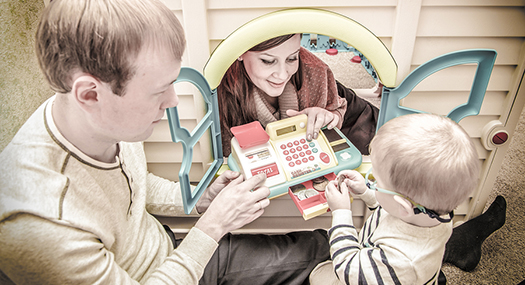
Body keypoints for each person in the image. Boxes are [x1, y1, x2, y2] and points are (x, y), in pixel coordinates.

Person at [0, 1, 329, 284]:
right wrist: (212, 226)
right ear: (89, 93)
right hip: (172, 269)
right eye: (159, 91)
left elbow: (135, 189)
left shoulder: (95, 119)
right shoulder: (40, 224)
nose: (172, 102)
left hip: (175, 251)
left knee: (320, 248)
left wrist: (202, 200)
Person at [309, 113, 481, 284]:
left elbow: (348, 269)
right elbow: (388, 209)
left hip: (363, 271)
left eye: (377, 181)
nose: (372, 182)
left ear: (403, 207)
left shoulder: (402, 262)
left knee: (316, 277)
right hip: (377, 258)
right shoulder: (430, 212)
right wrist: (366, 192)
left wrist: (341, 213)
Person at [217, 33, 378, 157]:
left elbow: (337, 110)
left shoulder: (316, 72)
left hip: (342, 104)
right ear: (240, 52)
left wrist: (329, 117)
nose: (282, 74)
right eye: (267, 61)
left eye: (292, 58)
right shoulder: (221, 91)